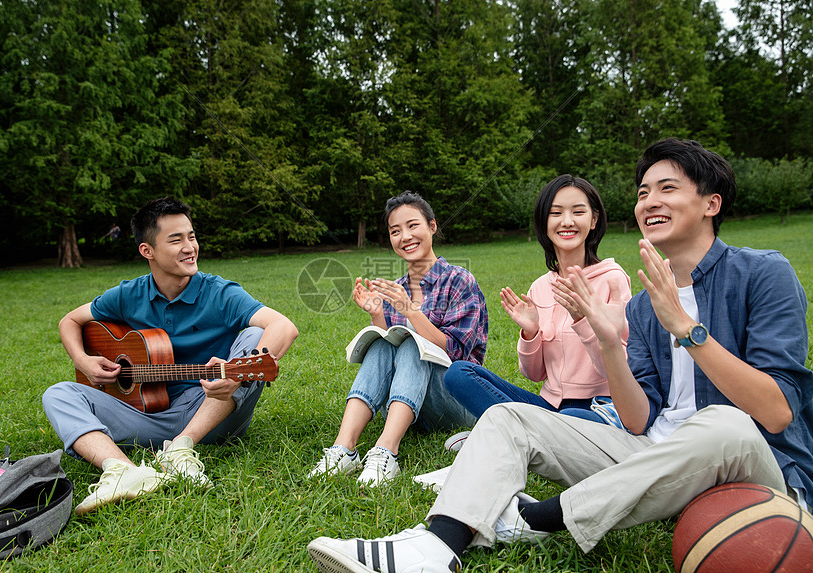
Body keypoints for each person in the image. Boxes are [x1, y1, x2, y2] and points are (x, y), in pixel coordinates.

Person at [306, 138, 813, 572]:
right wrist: (610, 342)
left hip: (753, 462)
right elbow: (638, 423)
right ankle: (436, 545)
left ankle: (534, 517)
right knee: (508, 417)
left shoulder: (763, 273)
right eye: (642, 192)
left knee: (724, 423)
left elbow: (774, 413)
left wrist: (688, 331)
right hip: (656, 450)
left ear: (711, 203)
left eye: (667, 188)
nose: (649, 200)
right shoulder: (642, 306)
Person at [43, 197, 298, 516]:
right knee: (58, 393)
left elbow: (284, 327)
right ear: (147, 251)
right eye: (176, 239)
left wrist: (234, 375)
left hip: (213, 411)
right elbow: (69, 320)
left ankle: (181, 448)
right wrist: (83, 361)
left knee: (256, 335)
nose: (189, 247)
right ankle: (123, 471)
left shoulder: (219, 292)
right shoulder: (128, 294)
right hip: (149, 414)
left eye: (191, 236)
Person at [308, 191, 488, 487]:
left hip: (457, 401)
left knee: (411, 343)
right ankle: (344, 450)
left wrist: (410, 311)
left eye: (412, 225)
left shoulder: (459, 280)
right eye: (395, 231)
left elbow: (456, 352)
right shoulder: (397, 288)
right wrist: (378, 315)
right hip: (410, 404)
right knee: (384, 342)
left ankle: (385, 451)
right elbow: (388, 350)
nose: (405, 236)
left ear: (432, 226)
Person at [444, 175, 631, 426]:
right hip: (548, 406)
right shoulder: (540, 287)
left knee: (571, 418)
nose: (567, 221)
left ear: (594, 220)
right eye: (556, 213)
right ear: (544, 221)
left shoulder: (612, 280)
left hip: (598, 409)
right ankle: (518, 431)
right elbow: (534, 375)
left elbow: (622, 369)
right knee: (458, 374)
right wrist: (530, 333)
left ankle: (503, 430)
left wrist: (583, 319)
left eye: (578, 212)